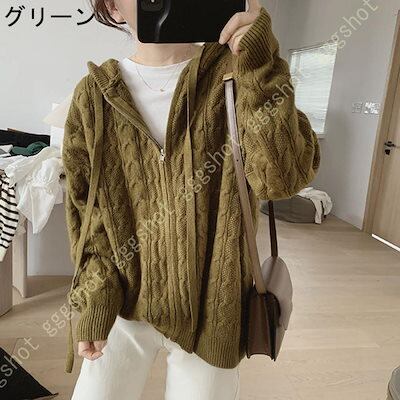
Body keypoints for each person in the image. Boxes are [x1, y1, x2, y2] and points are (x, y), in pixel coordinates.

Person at [62, 0, 321, 399]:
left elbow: (282, 180)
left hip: (215, 308)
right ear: (112, 7)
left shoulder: (239, 71)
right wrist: (95, 301)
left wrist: (259, 59)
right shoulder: (93, 96)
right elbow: (88, 219)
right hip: (124, 306)